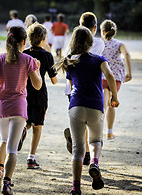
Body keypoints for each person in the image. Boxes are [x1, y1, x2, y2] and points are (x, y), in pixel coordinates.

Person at [53, 26, 119, 195]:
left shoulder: (70, 62)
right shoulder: (99, 59)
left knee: (77, 150)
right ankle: (95, 163)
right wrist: (114, 97)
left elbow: (72, 85)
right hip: (95, 106)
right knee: (96, 140)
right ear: (91, 42)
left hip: (76, 106)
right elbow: (110, 76)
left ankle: (76, 187)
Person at [0, 26, 42, 195]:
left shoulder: (0, 59)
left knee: (3, 140)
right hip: (19, 107)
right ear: (24, 42)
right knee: (12, 148)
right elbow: (37, 86)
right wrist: (36, 68)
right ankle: (7, 183)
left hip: (2, 106)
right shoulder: (28, 59)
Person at [64, 12, 105, 165]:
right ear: (95, 28)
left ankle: (85, 151)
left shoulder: (72, 45)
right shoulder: (99, 43)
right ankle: (90, 151)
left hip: (73, 88)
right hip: (91, 87)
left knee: (79, 118)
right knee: (91, 120)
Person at [17, 23, 58, 169]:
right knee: (38, 126)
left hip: (24, 93)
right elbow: (54, 80)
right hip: (40, 94)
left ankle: (22, 130)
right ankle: (31, 158)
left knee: (26, 121)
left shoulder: (24, 54)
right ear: (43, 39)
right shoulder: (47, 56)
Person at [100, 19, 132, 140]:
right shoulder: (119, 44)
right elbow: (127, 54)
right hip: (116, 78)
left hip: (102, 76)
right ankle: (109, 132)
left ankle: (99, 131)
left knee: (103, 104)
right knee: (111, 104)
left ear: (102, 31)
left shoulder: (99, 43)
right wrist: (129, 72)